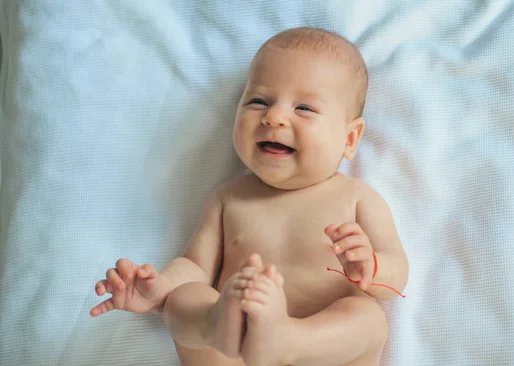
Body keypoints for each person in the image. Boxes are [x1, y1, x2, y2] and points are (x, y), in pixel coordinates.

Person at [91, 26, 408, 366]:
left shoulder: (357, 197)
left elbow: (398, 273)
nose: (274, 117)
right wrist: (160, 288)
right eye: (259, 101)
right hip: (235, 355)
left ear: (349, 139)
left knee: (366, 316)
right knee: (186, 298)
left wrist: (371, 266)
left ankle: (287, 340)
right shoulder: (229, 199)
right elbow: (196, 266)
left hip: (324, 354)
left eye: (304, 108)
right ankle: (217, 327)